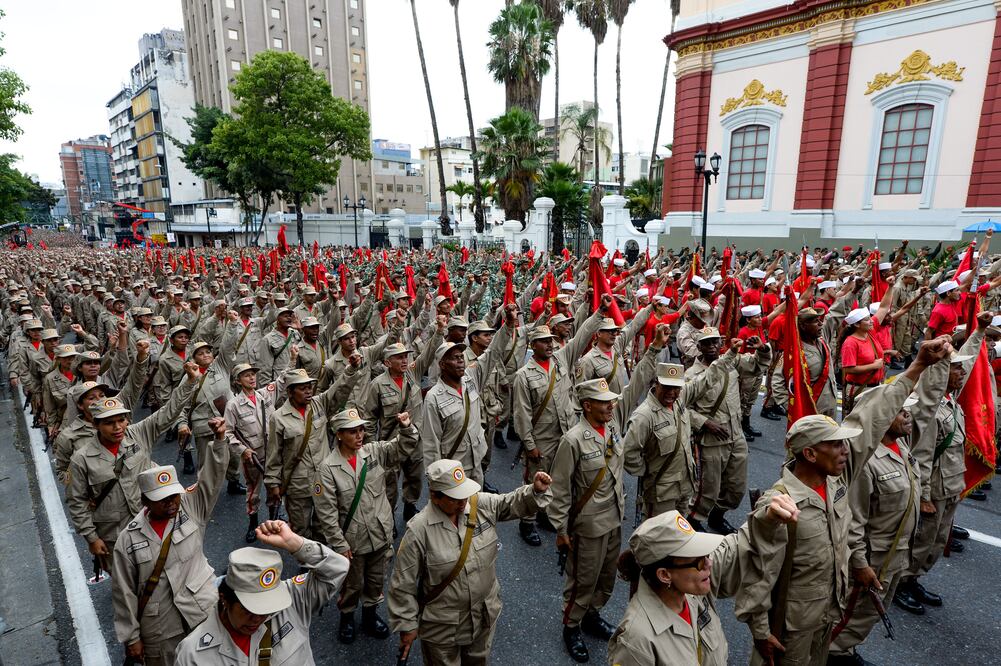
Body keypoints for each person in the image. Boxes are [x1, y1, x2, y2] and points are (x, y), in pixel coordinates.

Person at [735, 337, 950, 666]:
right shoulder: (780, 503)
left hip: (826, 613)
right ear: (810, 453)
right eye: (835, 446)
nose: (846, 451)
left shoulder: (836, 477)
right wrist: (761, 630)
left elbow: (869, 420)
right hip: (790, 627)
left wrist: (918, 366)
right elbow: (756, 572)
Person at [549, 326, 666, 663]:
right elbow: (559, 490)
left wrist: (654, 350)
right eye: (603, 404)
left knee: (605, 577)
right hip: (586, 525)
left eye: (611, 403)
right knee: (582, 579)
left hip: (614, 517)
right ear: (587, 406)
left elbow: (634, 389)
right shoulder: (572, 440)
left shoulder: (613, 425)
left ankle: (592, 614)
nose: (611, 407)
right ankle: (571, 624)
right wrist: (559, 530)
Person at [387, 459, 554, 666]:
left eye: (464, 493)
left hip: (483, 616)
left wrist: (534, 491)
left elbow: (509, 503)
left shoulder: (477, 504)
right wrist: (407, 625)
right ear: (434, 496)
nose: (463, 501)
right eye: (455, 497)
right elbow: (403, 584)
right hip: (442, 628)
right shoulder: (419, 530)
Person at [608, 498, 799, 666]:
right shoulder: (636, 640)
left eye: (706, 554)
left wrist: (768, 517)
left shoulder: (689, 582)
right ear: (665, 574)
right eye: (699, 560)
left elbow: (740, 544)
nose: (709, 563)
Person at [111, 417, 229, 666]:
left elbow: (211, 480)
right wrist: (131, 638)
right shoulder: (128, 539)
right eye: (162, 498)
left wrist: (219, 442)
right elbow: (124, 592)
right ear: (144, 501)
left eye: (174, 495)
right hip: (161, 627)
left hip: (202, 611)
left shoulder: (191, 507)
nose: (171, 502)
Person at [67, 361, 199, 573]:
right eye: (110, 423)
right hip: (114, 532)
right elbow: (77, 502)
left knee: (161, 572)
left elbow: (169, 411)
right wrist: (91, 537)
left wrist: (190, 381)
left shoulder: (139, 433)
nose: (118, 427)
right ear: (95, 425)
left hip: (150, 518)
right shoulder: (81, 459)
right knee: (125, 581)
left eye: (122, 420)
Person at [896, 313, 987, 613]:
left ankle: (915, 578)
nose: (961, 374)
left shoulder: (950, 398)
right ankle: (901, 583)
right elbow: (920, 453)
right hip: (933, 486)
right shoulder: (928, 409)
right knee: (920, 540)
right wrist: (922, 496)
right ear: (942, 373)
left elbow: (970, 365)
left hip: (951, 483)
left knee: (936, 541)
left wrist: (980, 331)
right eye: (955, 369)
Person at [173, 520, 350, 665]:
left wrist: (295, 544)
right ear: (224, 599)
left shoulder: (293, 599)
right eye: (249, 610)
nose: (258, 618)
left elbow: (338, 569)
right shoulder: (192, 655)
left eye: (267, 608)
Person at [827, 396, 921, 665]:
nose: (907, 416)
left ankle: (846, 650)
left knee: (868, 615)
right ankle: (834, 655)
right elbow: (853, 521)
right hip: (872, 558)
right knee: (850, 617)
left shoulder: (901, 446)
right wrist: (859, 563)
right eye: (899, 411)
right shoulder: (864, 462)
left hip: (895, 553)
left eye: (907, 411)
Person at [313, 408, 418, 644]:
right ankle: (347, 617)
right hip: (354, 539)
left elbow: (401, 448)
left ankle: (370, 614)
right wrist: (339, 544)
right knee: (353, 582)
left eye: (361, 429)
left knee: (376, 578)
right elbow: (327, 513)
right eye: (352, 431)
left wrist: (406, 428)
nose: (360, 435)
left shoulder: (372, 452)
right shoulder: (328, 469)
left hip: (380, 532)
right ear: (339, 434)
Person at [512, 296, 611, 546]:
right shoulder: (524, 375)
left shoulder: (561, 359)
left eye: (551, 341)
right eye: (543, 341)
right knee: (535, 480)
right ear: (533, 345)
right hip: (541, 436)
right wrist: (529, 443)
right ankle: (527, 522)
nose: (549, 345)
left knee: (557, 478)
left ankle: (546, 514)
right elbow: (521, 413)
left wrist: (599, 311)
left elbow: (581, 336)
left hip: (565, 432)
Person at [265, 355, 363, 540]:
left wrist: (350, 369)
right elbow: (274, 454)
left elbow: (339, 389)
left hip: (324, 479)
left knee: (324, 524)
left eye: (310, 387)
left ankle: (321, 562)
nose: (309, 391)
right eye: (303, 388)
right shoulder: (278, 418)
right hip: (297, 483)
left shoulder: (319, 404)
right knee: (300, 528)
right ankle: (305, 563)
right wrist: (273, 484)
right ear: (291, 392)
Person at [687, 327, 771, 534]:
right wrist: (705, 422)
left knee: (736, 487)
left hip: (735, 435)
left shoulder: (733, 362)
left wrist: (762, 349)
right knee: (708, 488)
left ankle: (717, 516)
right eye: (707, 342)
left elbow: (756, 366)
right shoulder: (692, 374)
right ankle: (694, 521)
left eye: (716, 341)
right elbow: (682, 407)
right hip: (711, 439)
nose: (713, 346)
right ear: (698, 347)